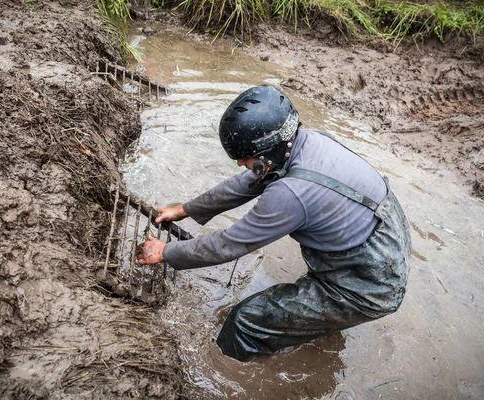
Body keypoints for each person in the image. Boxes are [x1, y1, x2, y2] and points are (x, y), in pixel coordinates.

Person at [137, 85, 411, 362]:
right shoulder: (307, 141)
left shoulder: (291, 194)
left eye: (245, 157)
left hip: (369, 286)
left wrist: (165, 252)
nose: (239, 163)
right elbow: (247, 182)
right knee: (287, 314)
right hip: (386, 240)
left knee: (244, 322)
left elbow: (228, 245)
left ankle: (230, 369)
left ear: (270, 149)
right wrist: (186, 209)